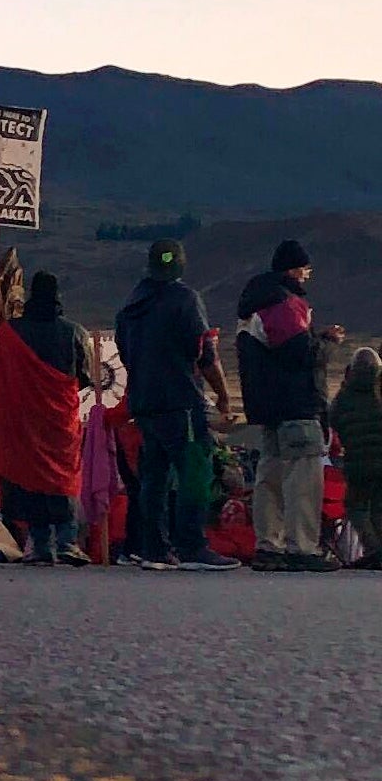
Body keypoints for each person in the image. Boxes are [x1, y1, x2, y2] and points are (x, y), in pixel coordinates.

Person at [113, 240, 239, 571]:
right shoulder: (185, 300)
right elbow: (205, 354)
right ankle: (192, 546)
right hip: (180, 400)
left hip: (144, 402)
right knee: (195, 470)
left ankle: (153, 548)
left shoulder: (130, 306)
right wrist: (222, 396)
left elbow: (126, 355)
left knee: (154, 476)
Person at [237, 239, 343, 571]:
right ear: (294, 270)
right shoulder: (284, 303)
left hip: (268, 407)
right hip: (296, 406)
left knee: (269, 474)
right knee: (303, 477)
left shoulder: (257, 302)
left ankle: (270, 544)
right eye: (306, 270)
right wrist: (327, 342)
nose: (308, 277)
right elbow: (301, 355)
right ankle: (303, 547)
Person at [0, 271, 93, 565]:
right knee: (63, 477)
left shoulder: (10, 333)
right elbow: (85, 377)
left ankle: (41, 544)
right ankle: (68, 541)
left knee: (30, 476)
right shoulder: (74, 332)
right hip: (60, 423)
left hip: (24, 421)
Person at [330, 348, 382, 570]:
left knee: (356, 507)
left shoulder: (344, 396)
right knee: (379, 507)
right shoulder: (379, 392)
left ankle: (373, 547)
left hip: (357, 464)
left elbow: (334, 423)